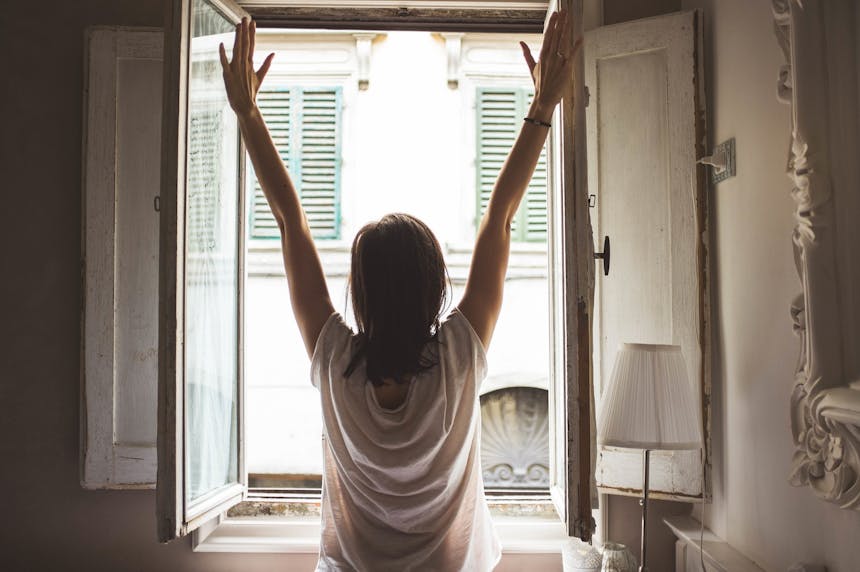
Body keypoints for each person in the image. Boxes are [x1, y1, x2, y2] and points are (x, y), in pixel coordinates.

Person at [220, 12, 576, 571]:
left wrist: (247, 111)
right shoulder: (459, 356)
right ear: (436, 285)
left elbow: (291, 221)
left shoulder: (335, 360)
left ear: (358, 290)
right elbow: (500, 220)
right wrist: (542, 106)